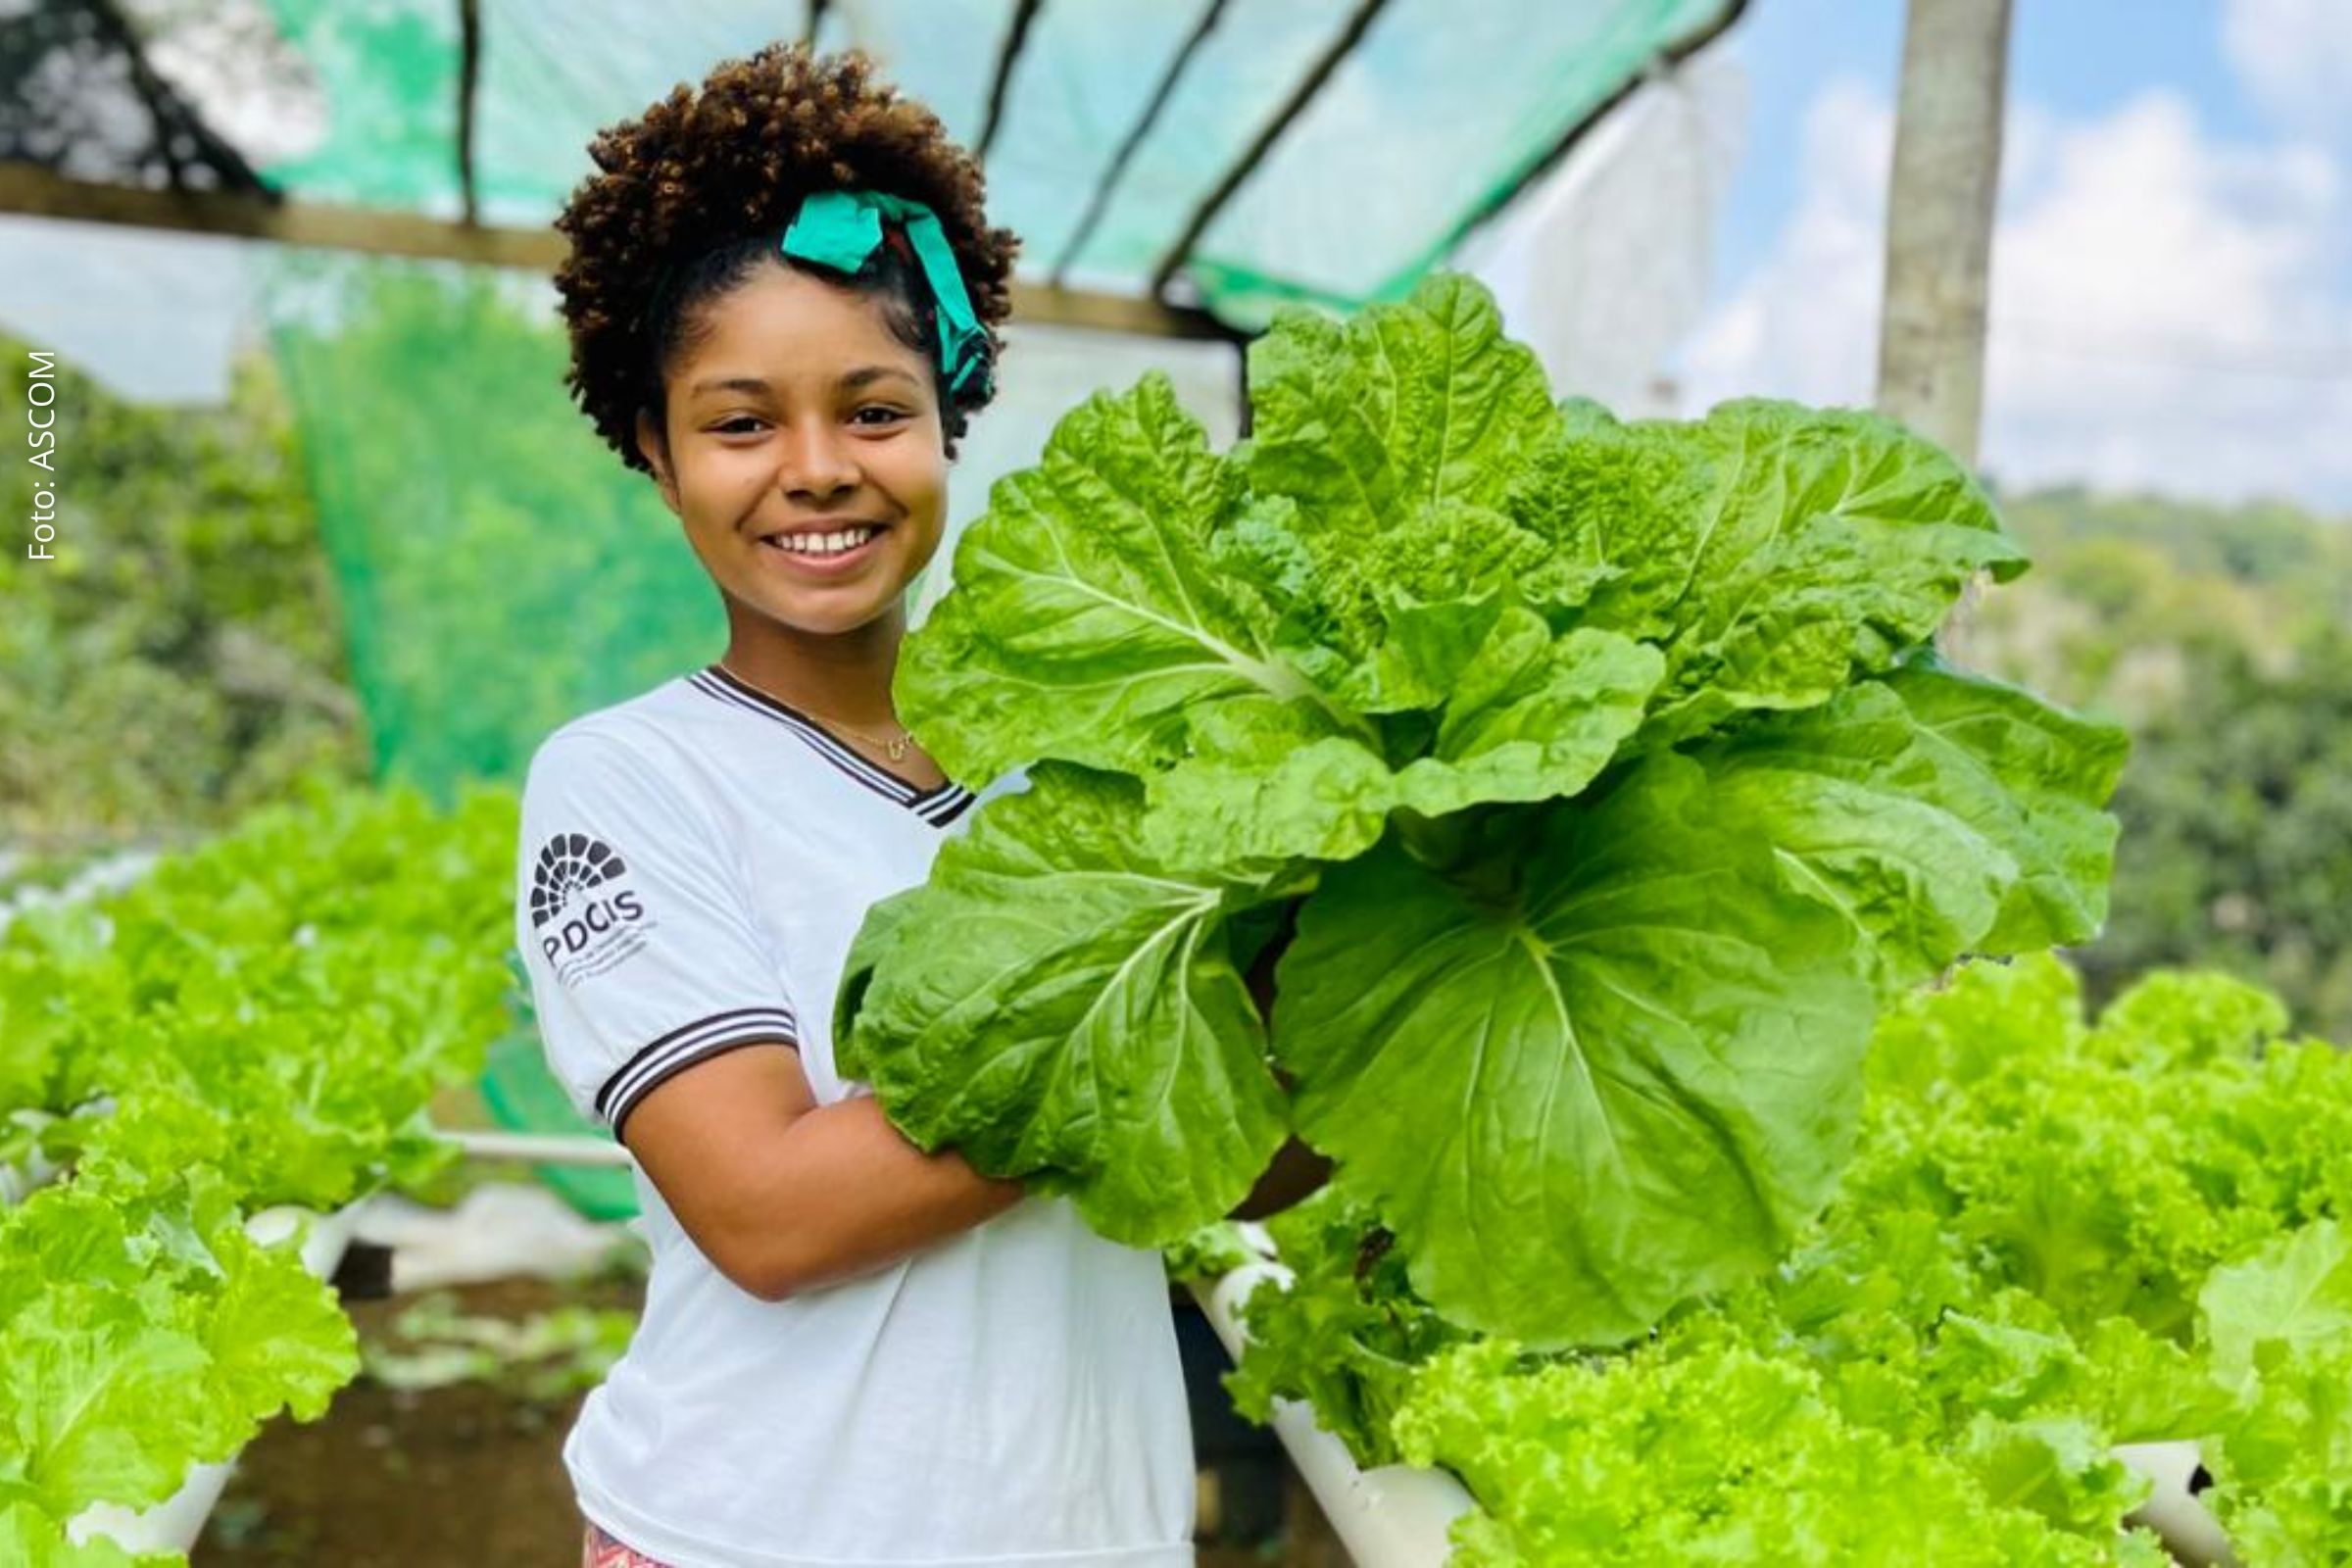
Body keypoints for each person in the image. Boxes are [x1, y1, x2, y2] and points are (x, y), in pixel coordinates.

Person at [514, 43, 1197, 1568]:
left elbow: (1226, 1152)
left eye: (874, 410)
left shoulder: (1079, 757)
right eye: (741, 423)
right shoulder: (625, 782)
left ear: (949, 415)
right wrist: (1138, 1028)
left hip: (1092, 1533)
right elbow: (769, 1213)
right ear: (655, 449)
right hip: (746, 1534)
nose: (816, 472)